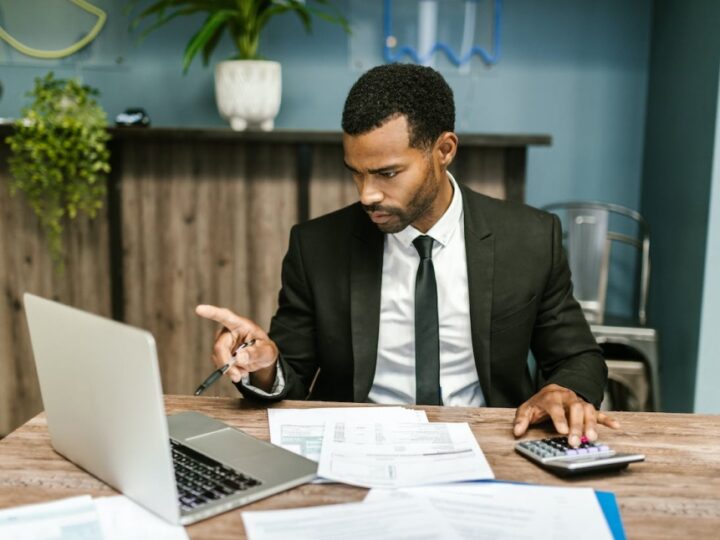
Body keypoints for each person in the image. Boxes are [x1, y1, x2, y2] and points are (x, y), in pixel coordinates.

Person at [196, 64, 619, 448]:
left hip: (491, 443)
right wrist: (264, 366)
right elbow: (293, 375)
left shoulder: (528, 238)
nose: (367, 194)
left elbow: (576, 356)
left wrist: (566, 391)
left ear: (444, 150)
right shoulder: (317, 246)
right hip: (358, 448)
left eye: (387, 173)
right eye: (356, 173)